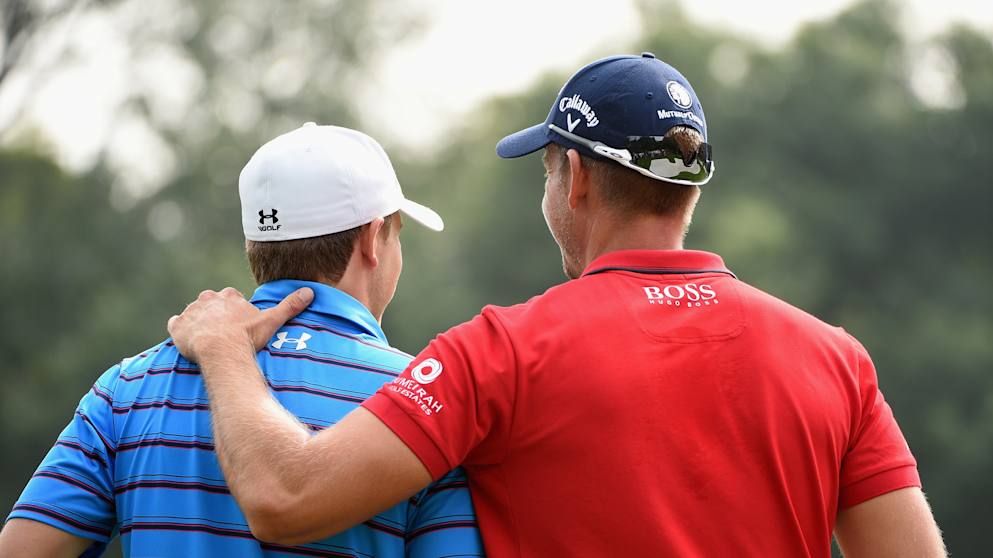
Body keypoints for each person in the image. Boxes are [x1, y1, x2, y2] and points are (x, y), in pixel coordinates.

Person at [160, 55, 946, 557]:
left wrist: (228, 351)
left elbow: (285, 500)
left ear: (572, 178)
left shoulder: (499, 350)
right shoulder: (835, 359)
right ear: (688, 187)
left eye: (543, 174)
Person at [0, 124, 483, 557]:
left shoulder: (124, 389)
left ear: (257, 244)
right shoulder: (424, 402)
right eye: (396, 233)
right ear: (371, 238)